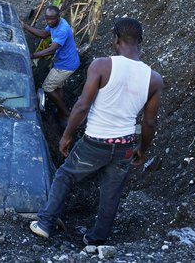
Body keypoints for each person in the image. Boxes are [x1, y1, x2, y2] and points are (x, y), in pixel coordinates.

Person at [29, 17, 164, 246]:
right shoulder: (154, 78)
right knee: (111, 193)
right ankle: (96, 239)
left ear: (115, 39)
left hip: (95, 142)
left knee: (66, 175)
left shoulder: (102, 65)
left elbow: (82, 105)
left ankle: (44, 223)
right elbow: (149, 122)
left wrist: (67, 135)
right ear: (140, 42)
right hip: (125, 147)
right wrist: (142, 148)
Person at [21, 6, 80, 125]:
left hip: (65, 66)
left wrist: (31, 56)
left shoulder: (63, 29)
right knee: (57, 87)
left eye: (52, 19)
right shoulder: (55, 24)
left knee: (48, 88)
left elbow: (51, 50)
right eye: (47, 19)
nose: (49, 22)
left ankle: (66, 113)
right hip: (64, 62)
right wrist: (25, 26)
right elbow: (44, 34)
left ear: (58, 17)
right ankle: (59, 109)